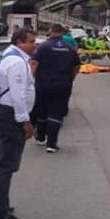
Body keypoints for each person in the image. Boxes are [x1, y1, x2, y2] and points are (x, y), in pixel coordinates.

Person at [0, 28, 36, 219]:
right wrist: (25, 122)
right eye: (31, 41)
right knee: (6, 164)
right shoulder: (17, 62)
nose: (34, 44)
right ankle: (1, 213)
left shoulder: (8, 55)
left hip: (2, 112)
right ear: (19, 42)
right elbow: (18, 95)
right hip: (10, 116)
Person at [31, 24, 81, 152]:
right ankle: (51, 144)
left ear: (51, 31)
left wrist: (31, 79)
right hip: (63, 85)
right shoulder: (70, 48)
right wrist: (71, 78)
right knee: (56, 113)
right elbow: (76, 66)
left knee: (42, 111)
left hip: (43, 85)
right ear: (63, 33)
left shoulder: (43, 47)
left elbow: (34, 64)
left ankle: (40, 137)